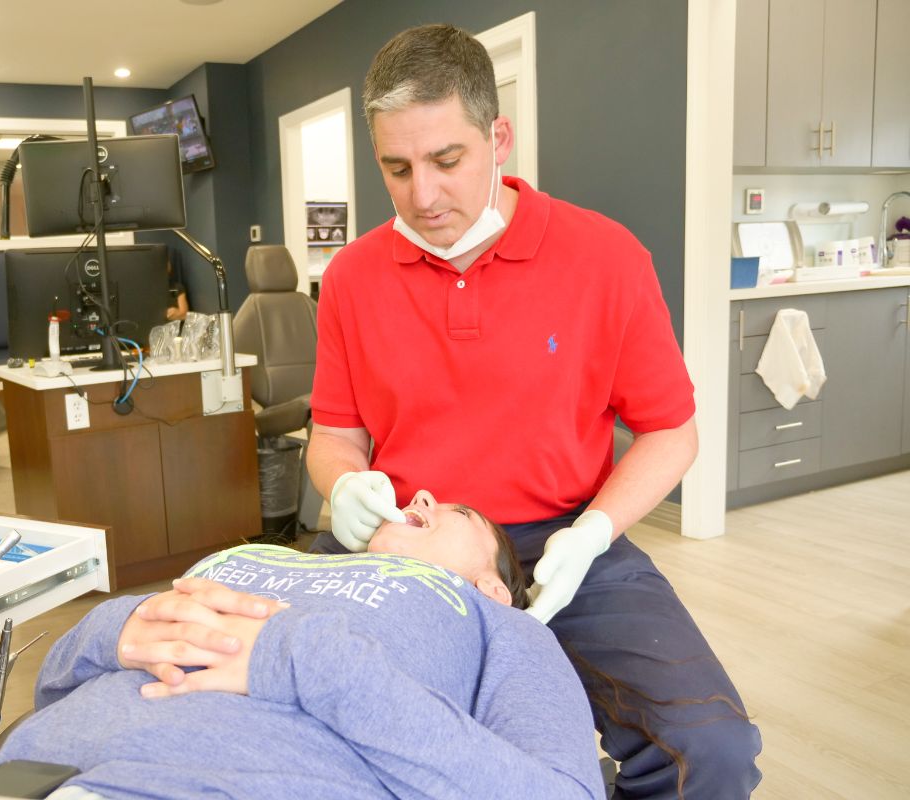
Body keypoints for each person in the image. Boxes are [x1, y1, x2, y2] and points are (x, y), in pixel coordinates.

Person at [120, 23, 761, 800]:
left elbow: (672, 431)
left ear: (498, 137)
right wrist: (346, 487)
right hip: (404, 537)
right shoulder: (353, 277)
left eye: (446, 161)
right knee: (225, 683)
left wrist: (594, 534)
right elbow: (335, 435)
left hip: (562, 537)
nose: (422, 195)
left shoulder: (608, 259)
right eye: (397, 168)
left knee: (711, 747)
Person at [0, 491, 604, 799]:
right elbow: (55, 685)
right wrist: (111, 626)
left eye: (458, 512)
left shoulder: (497, 625)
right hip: (30, 779)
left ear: (492, 586)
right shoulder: (258, 556)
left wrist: (305, 657)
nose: (422, 495)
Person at [165, 256, 188, 322]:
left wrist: (178, 313)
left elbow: (185, 314)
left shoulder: (177, 287)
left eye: (167, 262)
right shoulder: (146, 290)